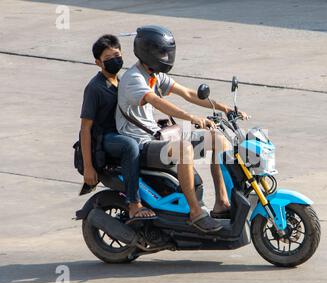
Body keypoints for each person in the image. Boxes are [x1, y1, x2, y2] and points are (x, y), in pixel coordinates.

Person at [116, 25, 249, 233]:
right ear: (147, 52)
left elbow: (187, 93)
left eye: (167, 52)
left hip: (156, 136)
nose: (166, 56)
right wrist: (191, 118)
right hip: (140, 143)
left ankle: (222, 202)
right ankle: (196, 212)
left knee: (218, 139)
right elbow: (156, 102)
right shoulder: (134, 79)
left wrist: (224, 108)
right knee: (184, 148)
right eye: (162, 52)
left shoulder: (154, 75)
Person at [80, 34, 155, 220]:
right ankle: (133, 204)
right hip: (105, 138)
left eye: (117, 56)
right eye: (108, 59)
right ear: (98, 62)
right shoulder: (95, 88)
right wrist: (89, 168)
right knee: (130, 145)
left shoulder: (123, 81)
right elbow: (85, 129)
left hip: (124, 131)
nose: (115, 61)